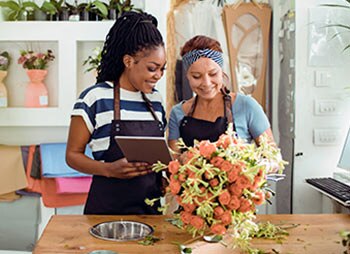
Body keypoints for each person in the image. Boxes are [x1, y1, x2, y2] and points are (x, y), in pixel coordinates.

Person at [66, 11, 167, 215]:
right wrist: (108, 170)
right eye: (152, 68)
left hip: (151, 215)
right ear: (129, 61)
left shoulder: (156, 100)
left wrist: (163, 178)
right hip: (105, 213)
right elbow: (72, 155)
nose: (158, 76)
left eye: (162, 69)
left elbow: (157, 155)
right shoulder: (95, 98)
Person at [168, 35, 275, 153]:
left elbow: (273, 157)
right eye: (196, 76)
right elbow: (174, 161)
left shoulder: (246, 106)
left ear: (222, 72)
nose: (206, 83)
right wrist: (184, 160)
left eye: (213, 74)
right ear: (187, 76)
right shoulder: (177, 113)